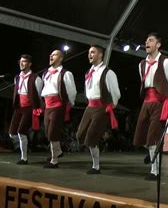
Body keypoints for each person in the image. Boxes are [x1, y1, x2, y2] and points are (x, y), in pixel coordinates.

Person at [133, 32, 168, 180]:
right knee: (141, 134)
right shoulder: (141, 64)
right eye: (146, 40)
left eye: (150, 40)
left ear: (158, 44)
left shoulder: (165, 62)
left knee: (153, 136)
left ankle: (155, 171)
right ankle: (151, 154)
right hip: (147, 101)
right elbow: (144, 84)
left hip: (160, 102)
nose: (147, 42)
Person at [76, 45, 120, 174]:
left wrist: (112, 105)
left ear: (100, 55)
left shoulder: (108, 72)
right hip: (90, 106)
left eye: (93, 52)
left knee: (91, 137)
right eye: (89, 52)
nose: (90, 55)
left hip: (102, 107)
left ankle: (96, 166)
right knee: (80, 134)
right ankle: (95, 163)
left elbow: (116, 92)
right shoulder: (88, 72)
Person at [41, 50, 77, 168]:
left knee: (52, 133)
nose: (51, 56)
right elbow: (44, 88)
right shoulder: (46, 72)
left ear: (61, 58)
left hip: (58, 105)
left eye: (54, 54)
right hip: (47, 105)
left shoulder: (66, 73)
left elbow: (72, 91)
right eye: (50, 54)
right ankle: (58, 151)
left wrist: (69, 105)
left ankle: (54, 160)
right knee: (47, 132)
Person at [8, 54, 43, 164]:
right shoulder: (17, 77)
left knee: (21, 132)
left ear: (29, 64)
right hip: (19, 107)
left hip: (29, 107)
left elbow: (40, 95)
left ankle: (24, 158)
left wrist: (39, 109)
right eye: (20, 61)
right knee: (12, 133)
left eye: (24, 61)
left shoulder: (36, 78)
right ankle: (28, 141)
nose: (21, 63)